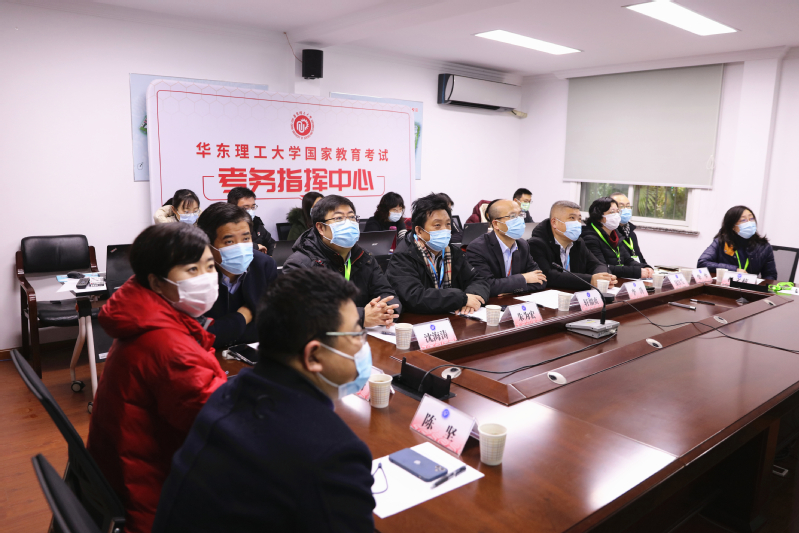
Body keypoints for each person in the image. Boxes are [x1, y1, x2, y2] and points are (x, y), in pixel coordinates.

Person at [152, 269, 375, 533]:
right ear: (314, 355)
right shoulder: (333, 455)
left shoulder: (229, 394)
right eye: (356, 334)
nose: (362, 344)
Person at [87, 223, 227, 533]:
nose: (206, 278)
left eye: (209, 266)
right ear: (156, 282)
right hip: (153, 495)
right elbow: (221, 427)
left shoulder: (147, 317)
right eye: (192, 270)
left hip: (126, 475)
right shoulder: (167, 346)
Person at [283, 195, 401, 327]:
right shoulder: (299, 265)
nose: (348, 223)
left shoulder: (364, 257)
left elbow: (387, 293)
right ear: (321, 228)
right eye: (339, 218)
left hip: (365, 334)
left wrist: (386, 311)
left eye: (351, 217)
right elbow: (305, 313)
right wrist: (361, 317)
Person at [387, 193, 489, 314]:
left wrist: (473, 297)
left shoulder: (453, 252)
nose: (445, 230)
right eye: (437, 225)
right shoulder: (403, 256)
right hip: (420, 320)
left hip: (452, 316)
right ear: (419, 230)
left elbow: (478, 280)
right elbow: (414, 297)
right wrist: (461, 299)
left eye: (448, 224)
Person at [197, 203, 277, 348]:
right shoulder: (194, 275)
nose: (240, 248)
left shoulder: (264, 265)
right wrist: (244, 316)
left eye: (246, 239)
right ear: (208, 245)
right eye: (229, 241)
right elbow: (200, 337)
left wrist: (225, 328)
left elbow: (272, 324)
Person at [528, 200, 617, 290]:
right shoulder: (536, 244)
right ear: (554, 222)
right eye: (572, 218)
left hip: (573, 293)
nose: (577, 223)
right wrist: (590, 280)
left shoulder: (578, 242)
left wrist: (604, 277)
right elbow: (548, 275)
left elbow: (597, 264)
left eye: (579, 219)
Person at [466, 199, 547, 297]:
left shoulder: (523, 245)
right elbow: (485, 285)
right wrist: (523, 278)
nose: (519, 220)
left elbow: (541, 280)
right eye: (513, 216)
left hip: (515, 301)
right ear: (496, 224)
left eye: (520, 215)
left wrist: (512, 289)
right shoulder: (478, 248)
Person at [581, 197, 654, 280]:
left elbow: (627, 260)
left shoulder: (616, 235)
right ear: (598, 216)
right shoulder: (590, 238)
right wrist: (636, 272)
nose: (616, 215)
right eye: (612, 212)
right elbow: (602, 267)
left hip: (616, 280)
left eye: (617, 211)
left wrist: (645, 267)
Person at [698, 205, 777, 279]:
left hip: (750, 286)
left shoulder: (764, 246)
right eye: (743, 220)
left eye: (751, 219)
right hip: (726, 285)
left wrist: (761, 287)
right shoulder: (721, 242)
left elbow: (770, 275)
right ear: (732, 226)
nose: (749, 223)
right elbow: (702, 263)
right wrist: (734, 270)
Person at [227, 186, 276, 255]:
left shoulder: (256, 223)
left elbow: (271, 243)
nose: (250, 211)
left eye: (253, 207)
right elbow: (231, 246)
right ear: (232, 208)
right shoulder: (224, 225)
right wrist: (255, 246)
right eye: (245, 208)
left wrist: (271, 256)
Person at [610, 191, 647, 265]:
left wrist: (648, 268)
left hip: (637, 269)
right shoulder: (611, 233)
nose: (626, 209)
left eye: (628, 206)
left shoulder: (631, 233)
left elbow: (639, 257)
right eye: (621, 206)